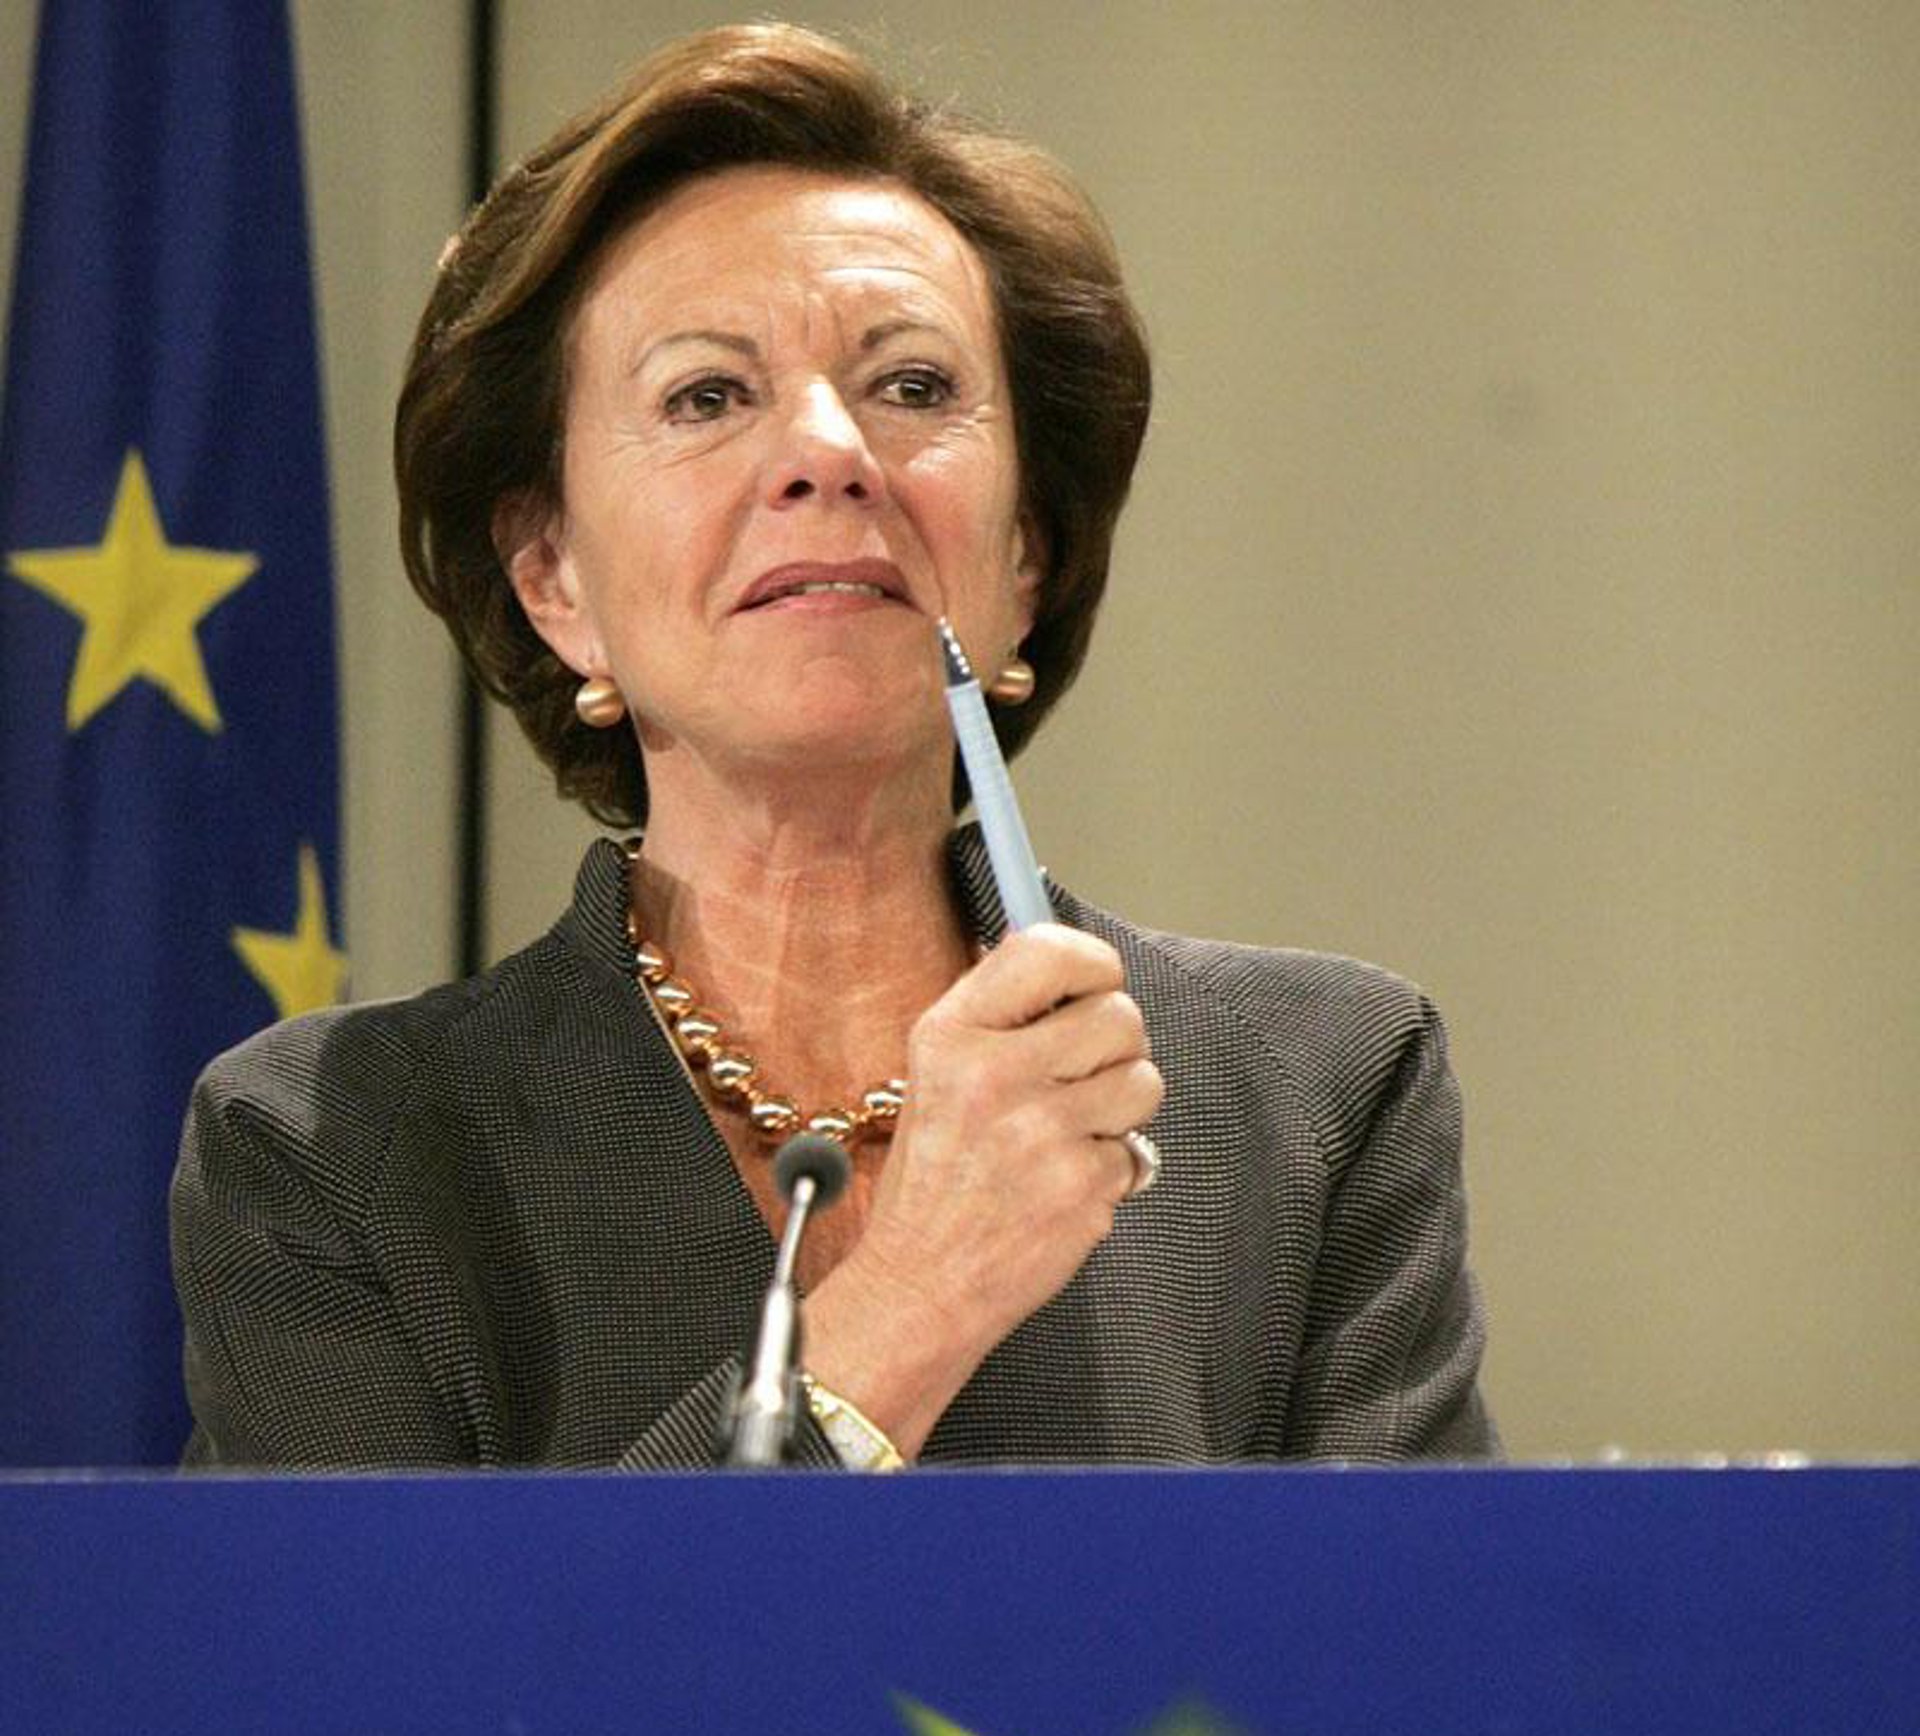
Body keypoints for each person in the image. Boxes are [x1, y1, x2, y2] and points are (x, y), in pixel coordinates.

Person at [171, 22, 1494, 1468]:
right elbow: (410, 1635)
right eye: (707, 396)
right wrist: (912, 1297)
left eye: (912, 387)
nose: (828, 453)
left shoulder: (1315, 1092)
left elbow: (1413, 1621)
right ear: (554, 582)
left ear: (1027, 560)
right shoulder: (332, 1150)